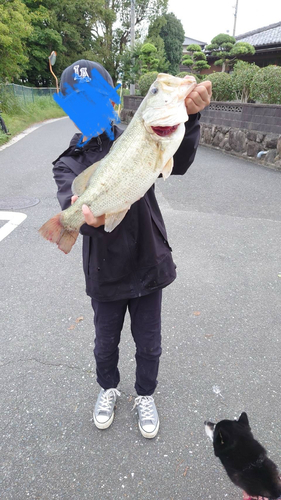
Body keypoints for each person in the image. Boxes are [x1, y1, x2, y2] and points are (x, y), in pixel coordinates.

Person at [52, 59, 212, 439]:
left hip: (148, 263)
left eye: (99, 100)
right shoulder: (68, 162)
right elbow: (69, 201)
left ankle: (145, 394)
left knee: (150, 343)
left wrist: (189, 121)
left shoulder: (138, 133)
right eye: (80, 104)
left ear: (114, 101)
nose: (91, 110)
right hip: (104, 272)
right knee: (105, 343)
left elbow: (180, 161)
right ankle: (107, 388)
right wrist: (81, 221)